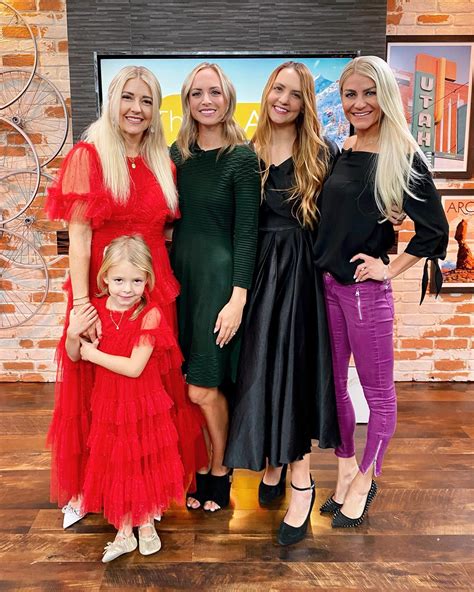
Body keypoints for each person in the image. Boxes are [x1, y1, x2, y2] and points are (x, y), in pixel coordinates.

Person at [46, 65, 207, 528]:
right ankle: (87, 486)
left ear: (156, 110)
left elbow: (166, 230)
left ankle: (147, 484)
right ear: (112, 101)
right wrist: (82, 305)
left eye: (147, 100)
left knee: (150, 388)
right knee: (93, 385)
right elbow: (79, 237)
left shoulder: (163, 162)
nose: (137, 109)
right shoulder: (89, 156)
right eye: (128, 98)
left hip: (153, 291)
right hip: (101, 291)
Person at [314, 55, 449, 528]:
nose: (359, 103)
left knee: (378, 395)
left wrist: (389, 270)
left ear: (386, 96)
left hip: (365, 296)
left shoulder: (403, 155)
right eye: (350, 94)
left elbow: (434, 232)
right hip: (328, 287)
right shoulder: (344, 147)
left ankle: (366, 480)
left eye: (369, 93)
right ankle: (346, 469)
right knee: (335, 389)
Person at [223, 61, 341, 546]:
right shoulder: (246, 152)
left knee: (292, 374)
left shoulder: (322, 153)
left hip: (298, 278)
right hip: (253, 276)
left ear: (305, 102)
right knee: (259, 371)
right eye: (278, 89)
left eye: (294, 93)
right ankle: (272, 463)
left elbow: (343, 216)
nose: (284, 100)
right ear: (267, 92)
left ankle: (302, 484)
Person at [169, 63, 260, 512]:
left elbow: (247, 233)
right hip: (180, 283)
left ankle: (222, 469)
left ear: (228, 98)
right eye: (197, 93)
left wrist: (238, 297)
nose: (206, 101)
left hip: (218, 284)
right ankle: (204, 463)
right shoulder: (177, 155)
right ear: (187, 101)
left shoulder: (242, 158)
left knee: (203, 387)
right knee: (190, 384)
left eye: (215, 92)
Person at [66, 235, 185, 562]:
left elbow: (134, 368)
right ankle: (123, 529)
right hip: (110, 403)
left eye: (136, 281)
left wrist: (94, 355)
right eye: (119, 280)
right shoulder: (95, 311)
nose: (127, 289)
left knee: (143, 461)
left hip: (143, 403)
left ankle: (146, 524)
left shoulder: (150, 315)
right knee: (118, 462)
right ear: (105, 277)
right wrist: (74, 334)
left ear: (148, 279)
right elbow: (74, 355)